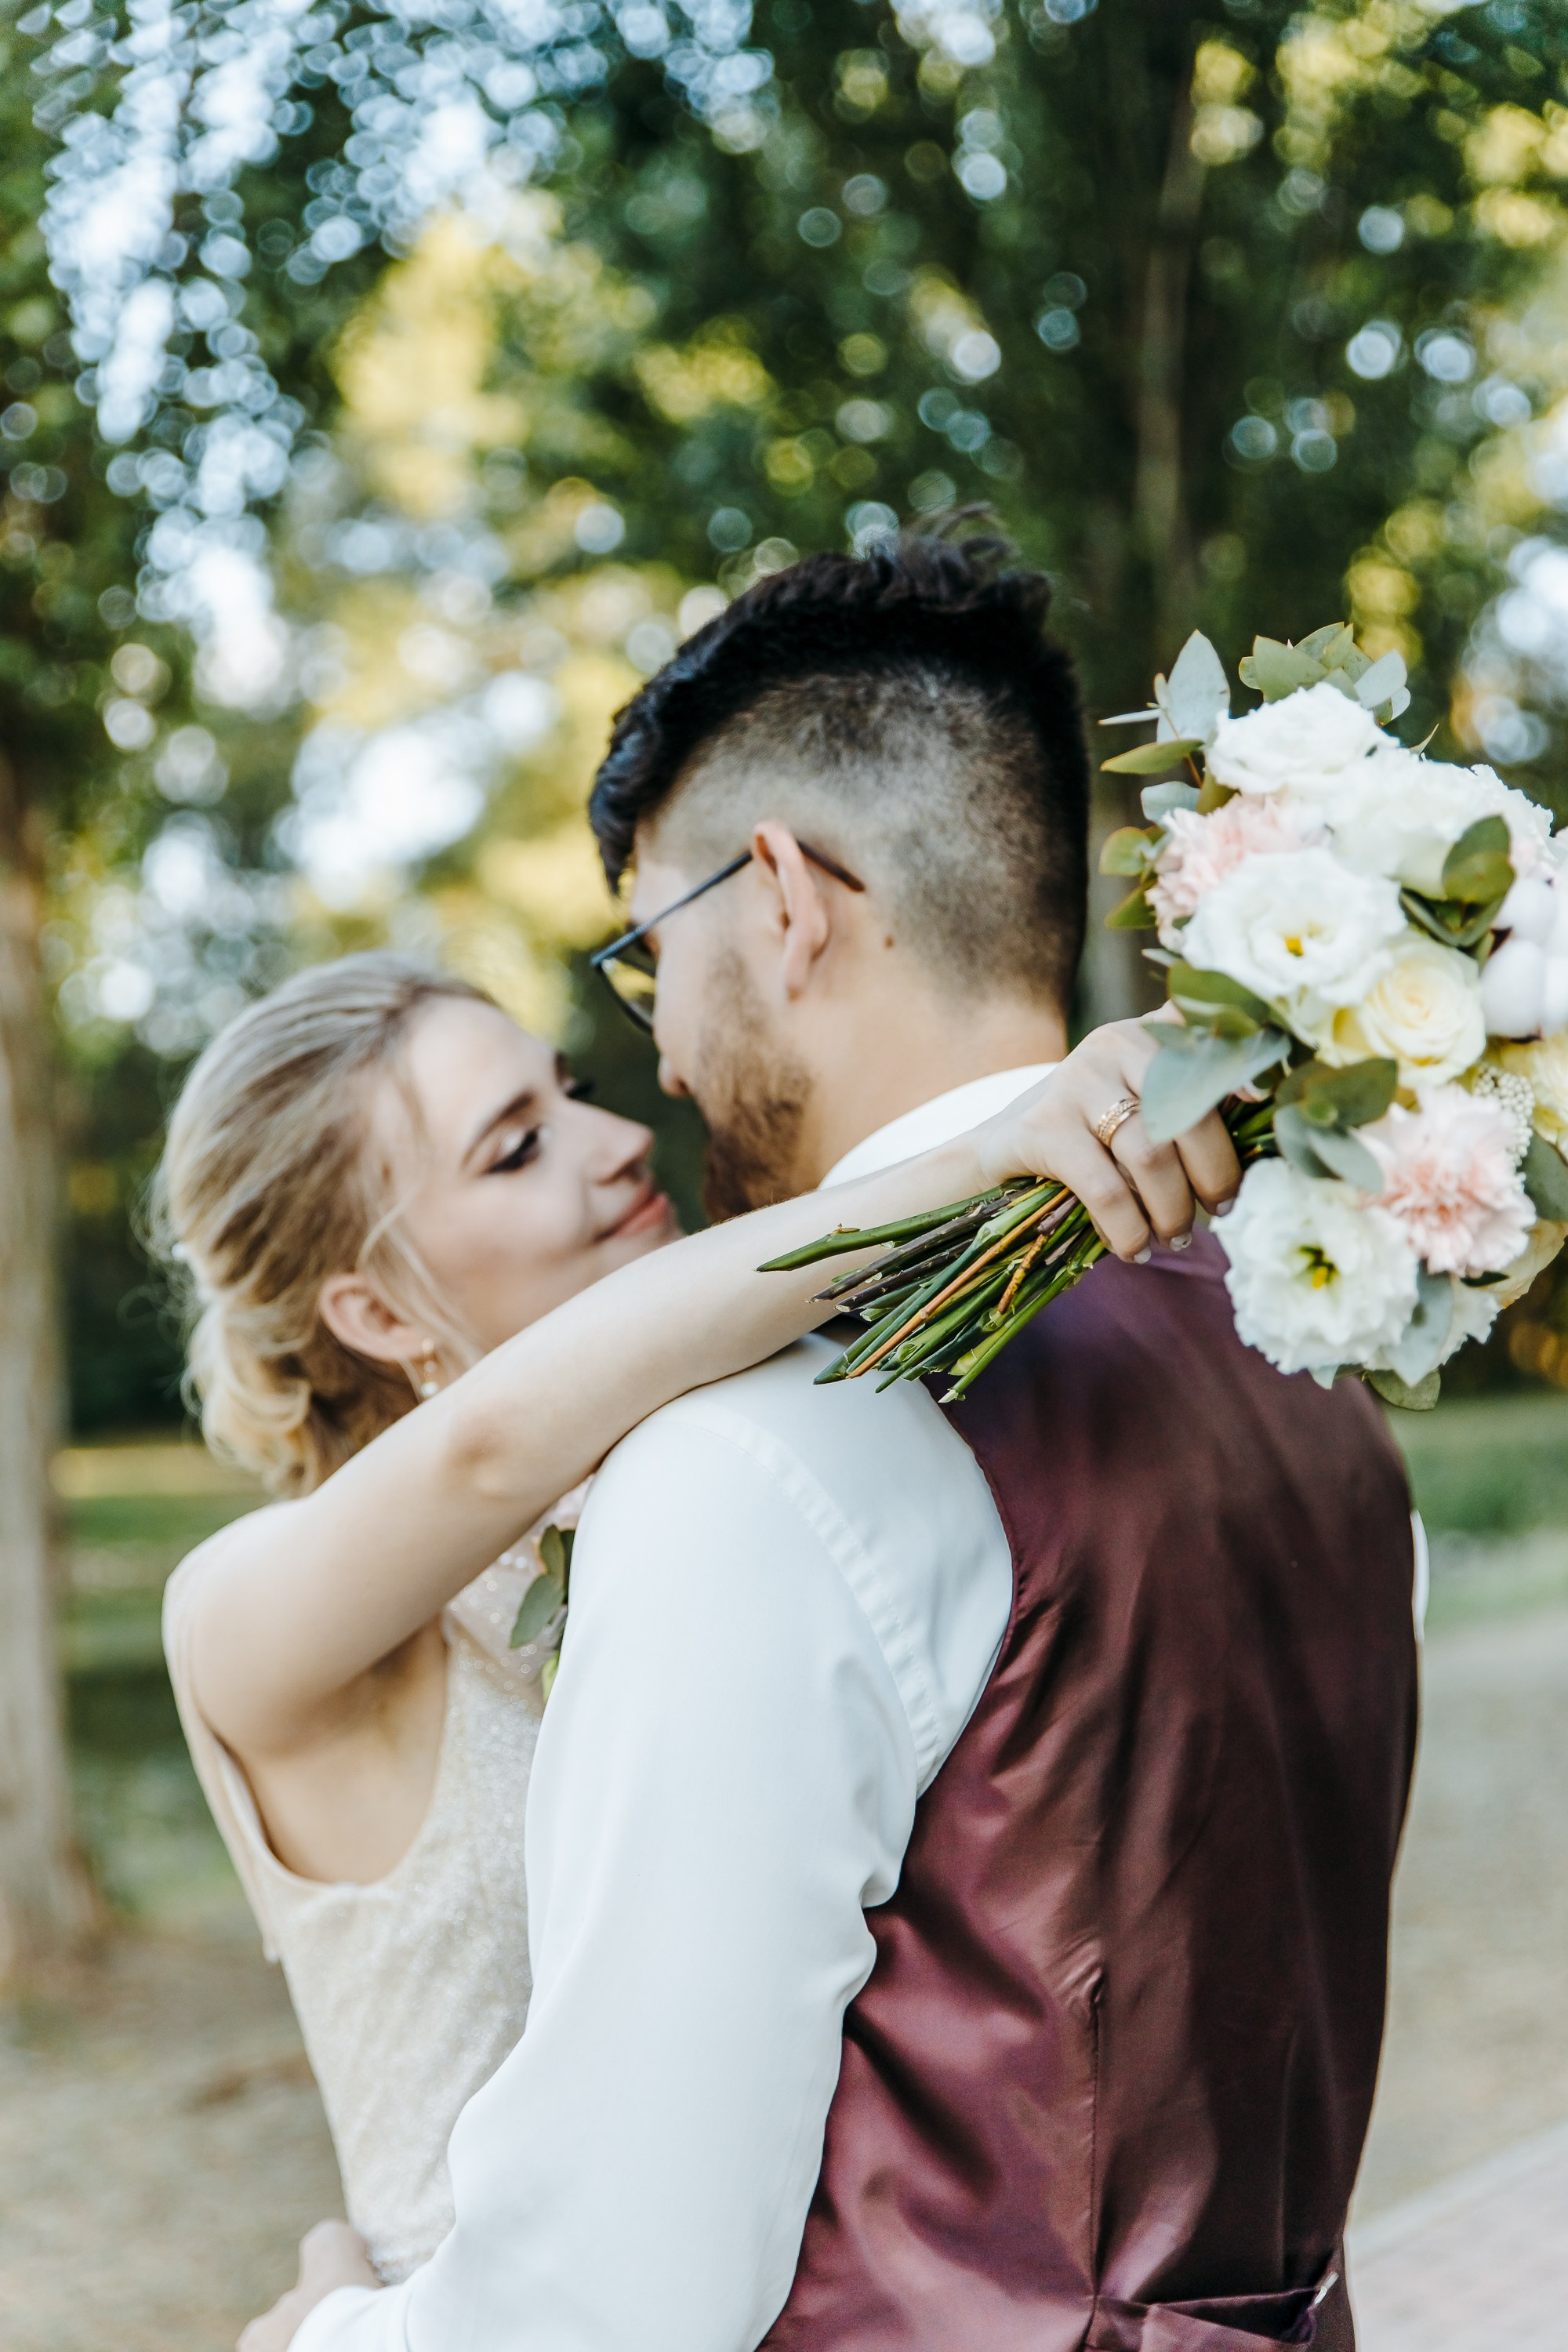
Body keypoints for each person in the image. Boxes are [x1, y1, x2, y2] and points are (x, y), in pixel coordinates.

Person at [265, 531, 1421, 2352]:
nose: (658, 1070)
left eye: (653, 960)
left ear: (784, 898)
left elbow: (608, 2305)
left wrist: (319, 2329)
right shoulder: (1308, 1357)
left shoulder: (770, 1454)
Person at [157, 951, 1227, 2325]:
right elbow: (486, 1450)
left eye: (576, 1089)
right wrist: (986, 1158)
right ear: (370, 1311)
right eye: (519, 1147)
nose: (616, 1143)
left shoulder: (698, 1488)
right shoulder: (244, 1622)